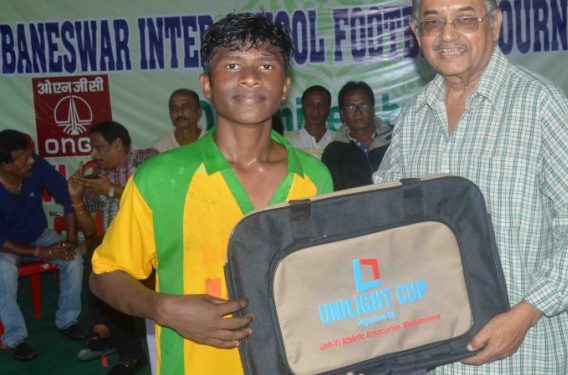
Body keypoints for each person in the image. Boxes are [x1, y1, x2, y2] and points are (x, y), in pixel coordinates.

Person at [88, 13, 333, 375]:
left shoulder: (315, 178)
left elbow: (324, 280)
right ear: (207, 84)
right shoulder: (161, 177)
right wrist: (162, 307)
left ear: (284, 87)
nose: (250, 77)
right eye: (232, 64)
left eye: (266, 65)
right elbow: (104, 274)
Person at [373, 0, 568, 373]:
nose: (448, 35)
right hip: (438, 351)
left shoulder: (539, 104)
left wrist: (526, 313)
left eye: (465, 19)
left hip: (528, 348)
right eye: (433, 22)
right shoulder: (413, 118)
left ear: (494, 24)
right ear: (417, 33)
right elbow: (383, 223)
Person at [68, 120, 157, 373]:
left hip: (150, 242)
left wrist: (112, 191)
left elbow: (153, 198)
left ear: (117, 144)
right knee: (98, 259)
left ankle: (103, 332)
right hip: (116, 246)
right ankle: (123, 347)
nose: (93, 154)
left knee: (104, 266)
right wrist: (76, 200)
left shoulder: (146, 159)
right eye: (92, 148)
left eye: (98, 147)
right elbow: (89, 229)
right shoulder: (96, 174)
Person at [0, 129, 85, 361]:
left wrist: (69, 238)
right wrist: (42, 252)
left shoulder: (36, 165)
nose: (32, 160)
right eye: (24, 158)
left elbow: (67, 195)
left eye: (31, 155)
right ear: (6, 166)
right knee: (3, 270)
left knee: (74, 258)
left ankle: (68, 320)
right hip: (6, 247)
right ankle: (15, 338)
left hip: (39, 234)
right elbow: (1, 241)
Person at [322, 81, 392, 190]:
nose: (358, 112)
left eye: (363, 106)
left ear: (373, 109)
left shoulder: (395, 140)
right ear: (342, 114)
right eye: (351, 107)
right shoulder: (333, 152)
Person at [285, 85, 334, 158]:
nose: (315, 110)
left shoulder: (339, 140)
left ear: (329, 110)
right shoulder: (286, 141)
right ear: (302, 108)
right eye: (310, 105)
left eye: (321, 105)